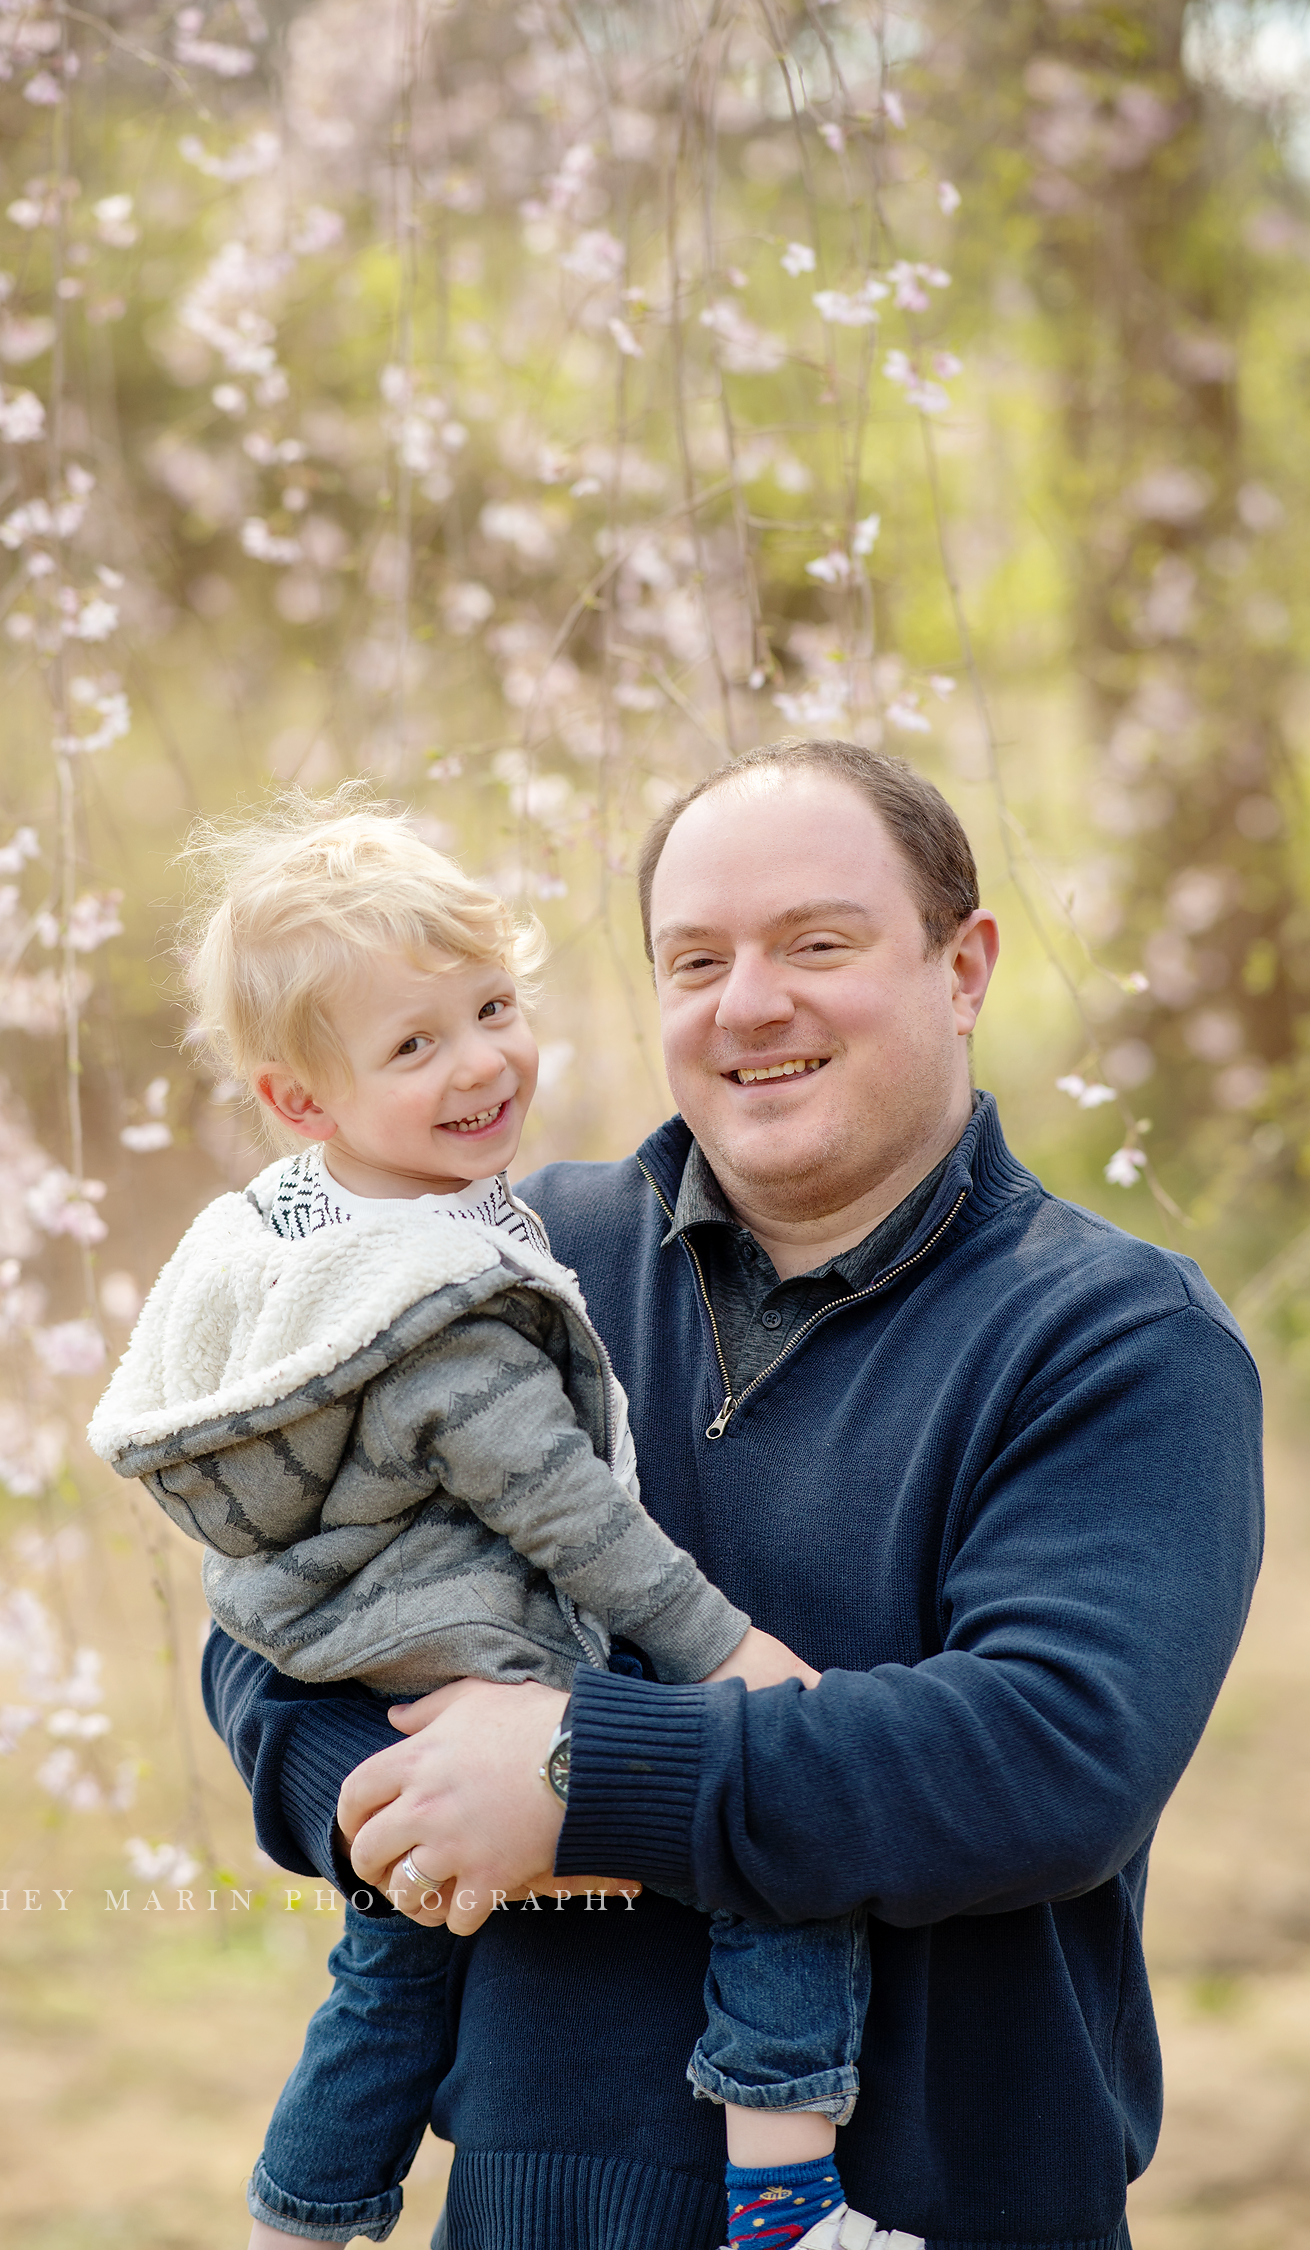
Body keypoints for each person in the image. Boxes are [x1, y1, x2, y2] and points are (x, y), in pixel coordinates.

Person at [201, 738, 1263, 2250]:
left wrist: (579, 1786)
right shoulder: (504, 1265)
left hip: (940, 2212)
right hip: (532, 2211)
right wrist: (415, 1809)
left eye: (816, 944)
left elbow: (1047, 1757)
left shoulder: (1115, 1338)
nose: (748, 1002)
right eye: (695, 958)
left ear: (963, 968)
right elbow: (272, 1623)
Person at [88, 787, 924, 2250]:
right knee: (777, 1845)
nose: (482, 1064)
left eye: (494, 1006)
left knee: (390, 1971)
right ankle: (788, 2203)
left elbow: (1059, 1750)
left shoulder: (316, 1253)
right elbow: (576, 1518)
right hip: (490, 1657)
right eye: (416, 1044)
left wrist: (500, 1792)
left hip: (391, 1643)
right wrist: (717, 1668)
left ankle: (301, 2218)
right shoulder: (457, 1300)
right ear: (302, 1100)